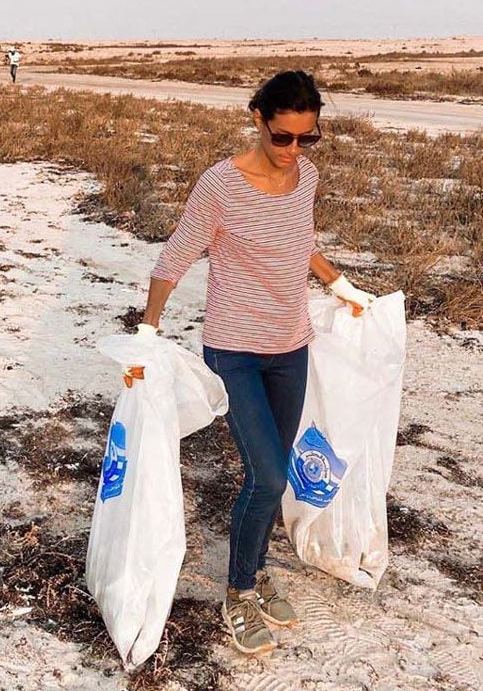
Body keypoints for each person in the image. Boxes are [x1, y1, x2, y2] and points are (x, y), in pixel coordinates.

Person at [128, 70, 375, 656]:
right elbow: (175, 257)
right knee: (266, 476)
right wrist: (147, 331)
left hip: (291, 348)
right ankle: (239, 593)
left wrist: (343, 288)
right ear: (259, 121)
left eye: (306, 138)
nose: (293, 151)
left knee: (276, 472)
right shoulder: (221, 185)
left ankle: (258, 569)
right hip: (234, 351)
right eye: (283, 137)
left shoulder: (306, 178)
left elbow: (301, 242)